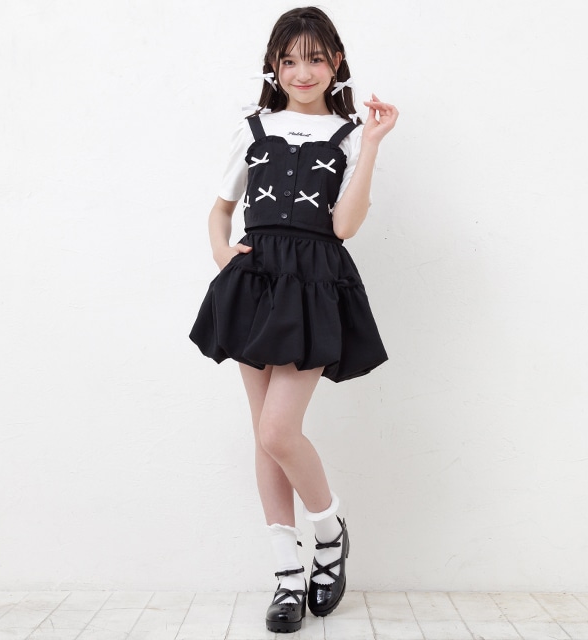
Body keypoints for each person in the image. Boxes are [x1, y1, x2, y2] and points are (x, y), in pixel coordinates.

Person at [189, 6, 398, 634]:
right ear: (273, 66)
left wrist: (373, 145)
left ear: (335, 62)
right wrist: (223, 254)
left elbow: (345, 226)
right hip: (254, 281)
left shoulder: (351, 134)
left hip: (312, 283)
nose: (301, 72)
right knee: (264, 435)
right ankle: (286, 575)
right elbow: (219, 210)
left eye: (314, 58)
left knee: (280, 431)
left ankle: (328, 533)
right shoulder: (252, 128)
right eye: (288, 60)